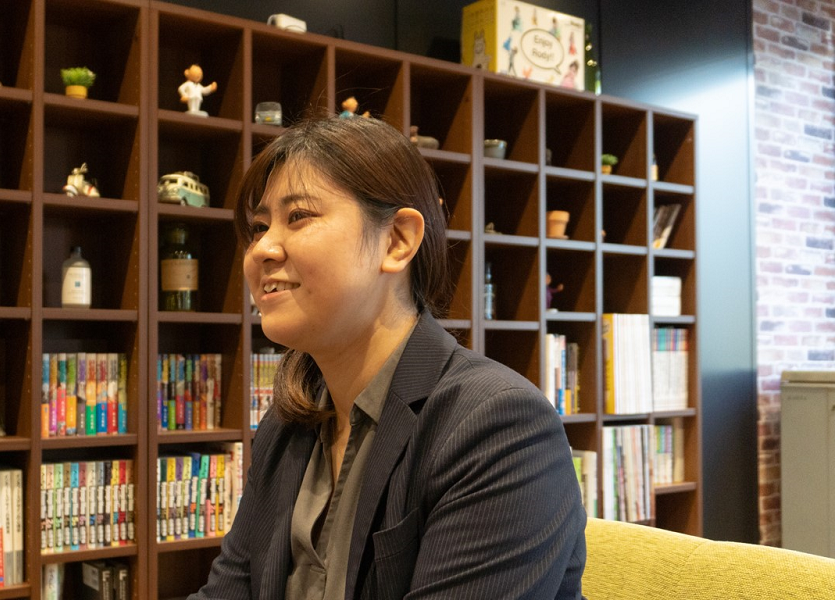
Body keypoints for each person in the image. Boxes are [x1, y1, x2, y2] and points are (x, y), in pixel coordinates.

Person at [191, 116, 586, 599]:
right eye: (258, 227)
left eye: (298, 217)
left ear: (397, 241)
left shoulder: (497, 425)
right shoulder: (287, 425)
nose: (262, 250)